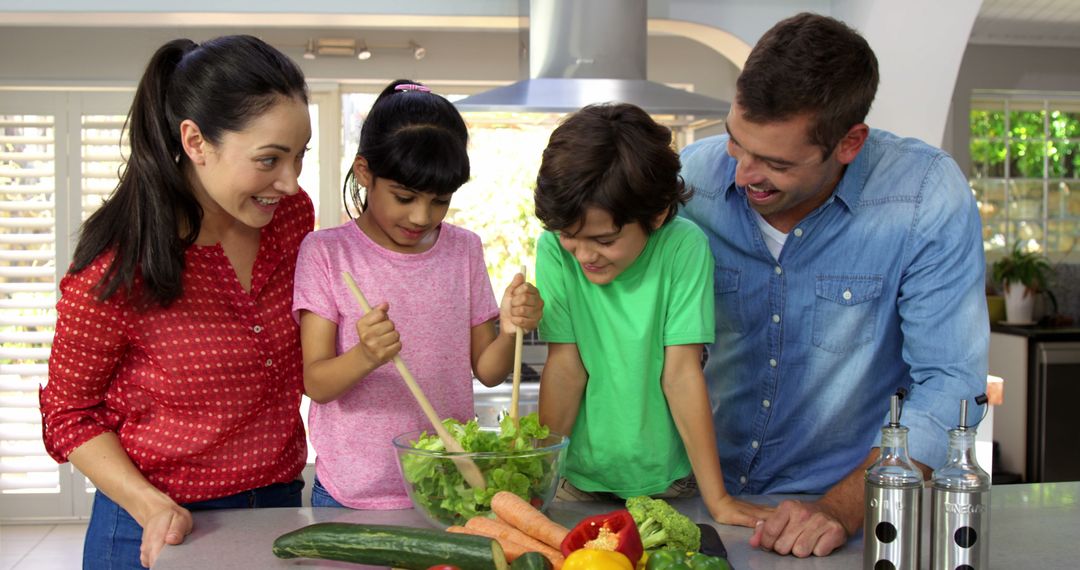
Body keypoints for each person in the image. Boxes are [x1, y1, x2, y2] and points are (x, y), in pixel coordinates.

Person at [679, 12, 989, 557]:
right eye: (736, 142)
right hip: (696, 500)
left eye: (774, 162)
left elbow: (949, 382)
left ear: (849, 143)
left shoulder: (923, 197)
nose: (743, 173)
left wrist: (842, 507)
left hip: (841, 515)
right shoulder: (691, 184)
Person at [39, 35, 313, 569]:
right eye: (269, 159)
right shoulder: (117, 266)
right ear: (195, 141)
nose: (289, 181)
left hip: (277, 508)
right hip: (157, 523)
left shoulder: (291, 219)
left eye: (300, 157)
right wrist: (150, 504)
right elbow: (69, 414)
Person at [293, 79, 544, 509]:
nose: (421, 216)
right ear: (364, 172)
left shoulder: (464, 249)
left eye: (440, 201)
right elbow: (316, 383)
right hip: (350, 494)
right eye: (404, 197)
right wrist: (365, 355)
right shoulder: (327, 253)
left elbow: (488, 371)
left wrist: (509, 329)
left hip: (446, 486)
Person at [534, 103, 772, 527]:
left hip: (669, 483)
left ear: (658, 215)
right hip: (574, 481)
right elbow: (566, 367)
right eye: (570, 235)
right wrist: (537, 481)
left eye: (604, 240)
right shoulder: (554, 249)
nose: (584, 254)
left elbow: (681, 374)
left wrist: (717, 501)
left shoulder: (684, 247)